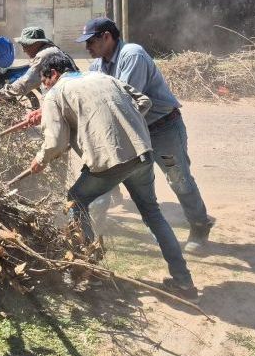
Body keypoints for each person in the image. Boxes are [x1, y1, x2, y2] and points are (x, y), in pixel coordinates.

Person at [31, 55, 198, 299]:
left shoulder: (56, 93)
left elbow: (55, 142)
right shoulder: (105, 78)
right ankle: (184, 282)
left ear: (53, 74)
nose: (45, 87)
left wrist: (40, 160)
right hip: (141, 152)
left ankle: (89, 273)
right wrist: (120, 123)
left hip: (109, 161)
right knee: (152, 213)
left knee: (75, 199)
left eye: (45, 81)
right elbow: (143, 100)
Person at [76, 17, 215, 253]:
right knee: (116, 180)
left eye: (90, 41)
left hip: (162, 128)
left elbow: (123, 102)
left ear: (107, 37)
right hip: (134, 130)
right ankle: (91, 232)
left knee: (178, 178)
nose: (87, 47)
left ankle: (200, 225)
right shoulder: (98, 66)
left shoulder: (132, 55)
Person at [0, 26, 78, 106]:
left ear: (36, 43)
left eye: (25, 45)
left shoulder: (44, 55)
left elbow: (26, 82)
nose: (23, 50)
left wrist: (1, 95)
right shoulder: (54, 50)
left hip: (65, 101)